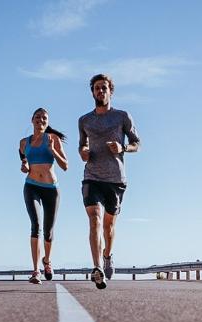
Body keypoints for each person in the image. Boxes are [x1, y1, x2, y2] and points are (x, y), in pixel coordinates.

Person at [78, 73, 141, 289]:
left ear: (110, 91)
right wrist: (83, 151)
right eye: (97, 88)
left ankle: (107, 256)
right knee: (94, 218)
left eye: (104, 88)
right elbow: (82, 146)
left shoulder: (122, 116)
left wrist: (123, 147)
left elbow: (137, 143)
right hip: (92, 176)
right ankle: (96, 268)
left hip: (115, 178)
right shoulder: (84, 120)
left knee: (109, 226)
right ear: (92, 92)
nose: (100, 91)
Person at [19, 107, 69, 284]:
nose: (41, 120)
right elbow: (23, 160)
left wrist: (53, 150)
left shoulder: (53, 139)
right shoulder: (23, 143)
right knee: (35, 225)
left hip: (51, 189)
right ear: (32, 120)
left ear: (47, 122)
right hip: (31, 186)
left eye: (44, 118)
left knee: (48, 231)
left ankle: (47, 261)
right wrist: (24, 165)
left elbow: (65, 166)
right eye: (38, 117)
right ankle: (36, 271)